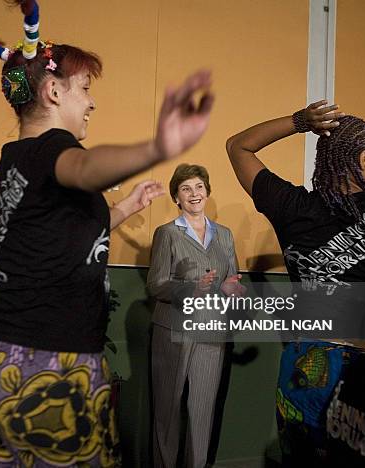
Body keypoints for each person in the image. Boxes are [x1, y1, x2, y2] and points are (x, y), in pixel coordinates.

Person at [0, 1, 214, 466]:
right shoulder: (57, 149)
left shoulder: (13, 160)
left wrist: (118, 211)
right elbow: (87, 166)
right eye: (85, 89)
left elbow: (49, 238)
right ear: (52, 90)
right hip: (47, 375)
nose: (91, 102)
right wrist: (160, 145)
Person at [225, 101, 365, 466]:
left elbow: (238, 145)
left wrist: (300, 121)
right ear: (364, 159)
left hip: (304, 365)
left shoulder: (291, 206)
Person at [146, 163, 243, 468]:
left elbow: (233, 278)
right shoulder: (167, 234)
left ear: (207, 191)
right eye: (186, 188)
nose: (194, 193)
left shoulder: (225, 236)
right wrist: (190, 288)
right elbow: (156, 285)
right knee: (167, 411)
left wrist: (231, 288)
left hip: (211, 333)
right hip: (172, 332)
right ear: (176, 197)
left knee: (202, 413)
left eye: (199, 186)